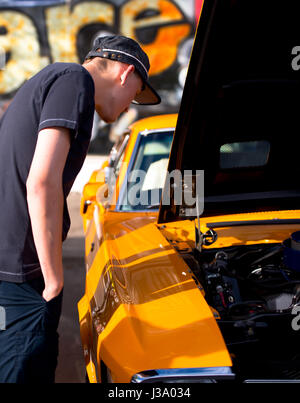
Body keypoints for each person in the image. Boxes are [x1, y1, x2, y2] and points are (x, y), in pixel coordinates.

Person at [0, 35, 160, 383]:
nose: (130, 105)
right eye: (135, 93)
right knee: (25, 368)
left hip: (10, 270)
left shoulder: (51, 79)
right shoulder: (75, 82)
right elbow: (41, 183)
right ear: (125, 73)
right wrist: (55, 281)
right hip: (23, 276)